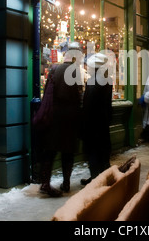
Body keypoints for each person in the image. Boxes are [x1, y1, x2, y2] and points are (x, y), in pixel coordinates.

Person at [39, 42, 83, 196]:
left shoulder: (54, 69)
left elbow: (47, 92)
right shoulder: (75, 71)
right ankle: (66, 183)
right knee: (68, 151)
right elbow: (79, 95)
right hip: (70, 117)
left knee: (50, 150)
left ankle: (45, 182)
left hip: (54, 115)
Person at [80, 53, 113, 185]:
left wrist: (84, 123)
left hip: (93, 123)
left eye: (89, 66)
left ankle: (95, 180)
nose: (87, 68)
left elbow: (89, 105)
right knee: (102, 151)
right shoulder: (107, 80)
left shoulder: (93, 82)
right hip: (102, 121)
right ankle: (101, 177)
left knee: (93, 151)